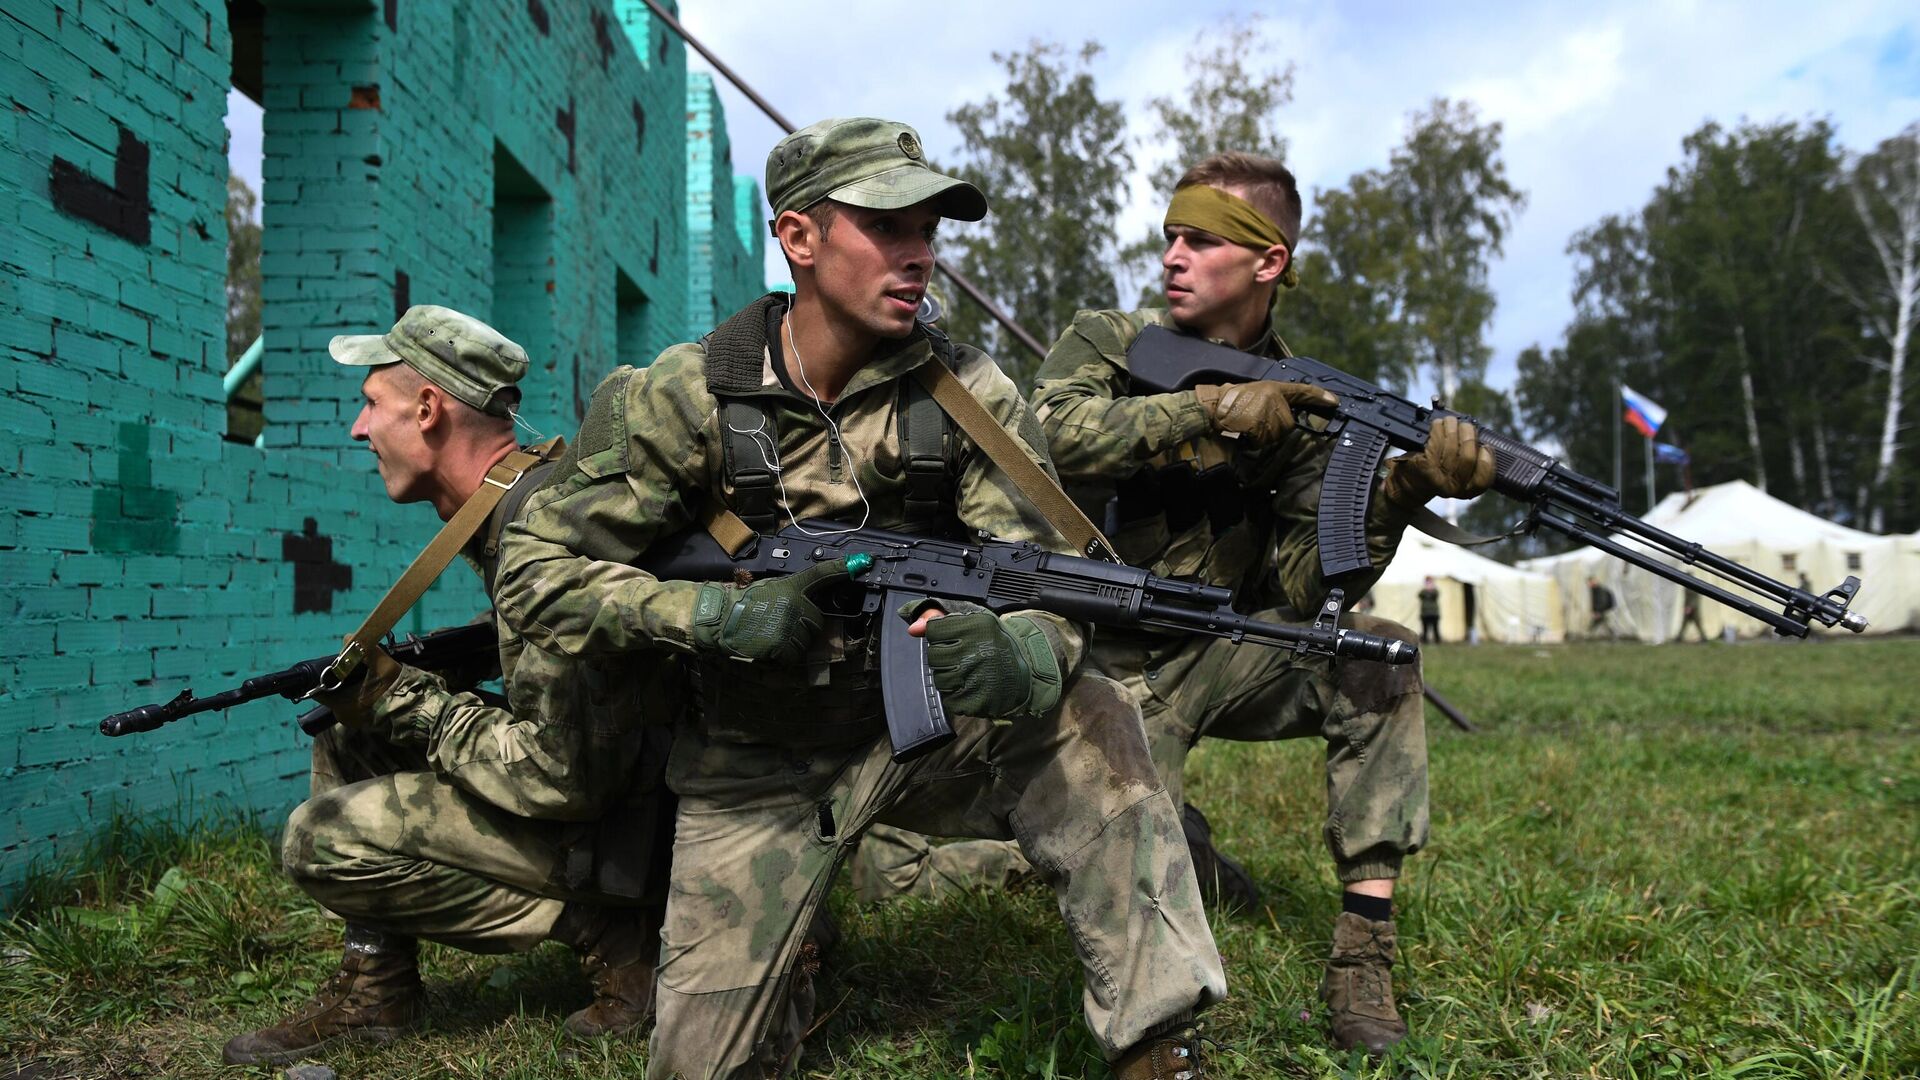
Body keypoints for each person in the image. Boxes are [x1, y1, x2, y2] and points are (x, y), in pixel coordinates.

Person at [494, 118, 1226, 1079]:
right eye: (888, 227)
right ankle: (792, 948)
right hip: (753, 757)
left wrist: (1027, 651)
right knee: (702, 1066)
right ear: (799, 238)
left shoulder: (967, 391)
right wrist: (707, 617)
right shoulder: (685, 393)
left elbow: (1051, 570)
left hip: (921, 733)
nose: (919, 254)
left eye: (928, 229)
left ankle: (1154, 1040)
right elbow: (532, 568)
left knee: (1093, 712)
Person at [861, 153, 1494, 1055]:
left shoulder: (1315, 403)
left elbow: (1307, 588)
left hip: (1209, 653)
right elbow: (1045, 442)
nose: (1173, 257)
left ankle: (1364, 955)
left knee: (1378, 654)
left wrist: (1396, 493)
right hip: (1083, 657)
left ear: (1267, 262)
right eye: (1169, 237)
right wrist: (1205, 412)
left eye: (1200, 239)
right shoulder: (1114, 345)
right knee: (1065, 863)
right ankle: (1176, 853)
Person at [222, 307, 673, 1066]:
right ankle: (377, 992)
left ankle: (623, 937)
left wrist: (408, 700)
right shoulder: (520, 500)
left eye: (371, 405)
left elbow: (563, 779)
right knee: (347, 730)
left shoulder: (536, 533)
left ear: (429, 410)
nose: (358, 431)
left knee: (320, 838)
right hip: (637, 795)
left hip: (647, 826)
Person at [1587, 576, 1616, 640]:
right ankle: (1589, 636)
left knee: (1604, 623)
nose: (1589, 584)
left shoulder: (1600, 590)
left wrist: (1598, 612)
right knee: (1603, 623)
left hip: (1604, 610)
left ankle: (1588, 636)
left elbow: (1602, 602)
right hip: (1601, 611)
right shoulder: (1594, 590)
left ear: (1594, 581)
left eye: (1590, 582)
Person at [1418, 576, 1442, 644]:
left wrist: (1430, 590)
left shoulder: (1435, 591)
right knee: (1425, 629)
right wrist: (1427, 590)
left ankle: (1437, 641)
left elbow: (1435, 595)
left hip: (1434, 613)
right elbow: (1420, 595)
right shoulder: (1423, 591)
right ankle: (1425, 641)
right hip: (1425, 613)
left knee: (1435, 628)